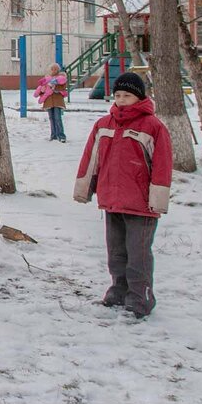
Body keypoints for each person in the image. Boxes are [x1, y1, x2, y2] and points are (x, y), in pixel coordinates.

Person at [73, 72, 172, 318]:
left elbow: (162, 165)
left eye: (127, 95)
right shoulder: (103, 125)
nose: (121, 100)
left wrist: (158, 200)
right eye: (117, 95)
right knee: (116, 252)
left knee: (138, 254)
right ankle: (119, 289)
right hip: (112, 199)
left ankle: (141, 297)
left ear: (139, 97)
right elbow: (91, 159)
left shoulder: (153, 126)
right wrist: (84, 189)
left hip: (141, 203)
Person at [34, 63, 68, 142]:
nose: (54, 70)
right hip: (48, 101)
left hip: (57, 101)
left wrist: (55, 88)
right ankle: (53, 135)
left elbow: (63, 88)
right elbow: (42, 89)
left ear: (58, 70)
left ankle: (61, 135)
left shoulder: (61, 78)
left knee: (57, 118)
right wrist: (42, 90)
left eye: (55, 69)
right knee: (51, 118)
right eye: (52, 69)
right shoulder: (47, 79)